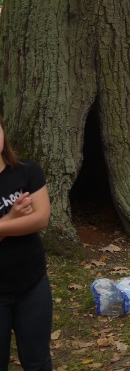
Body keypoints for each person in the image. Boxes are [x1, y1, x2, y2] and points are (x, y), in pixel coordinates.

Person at [0, 116, 52, 371]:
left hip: (33, 285)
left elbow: (41, 219)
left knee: (38, 362)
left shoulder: (28, 170)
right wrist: (12, 218)